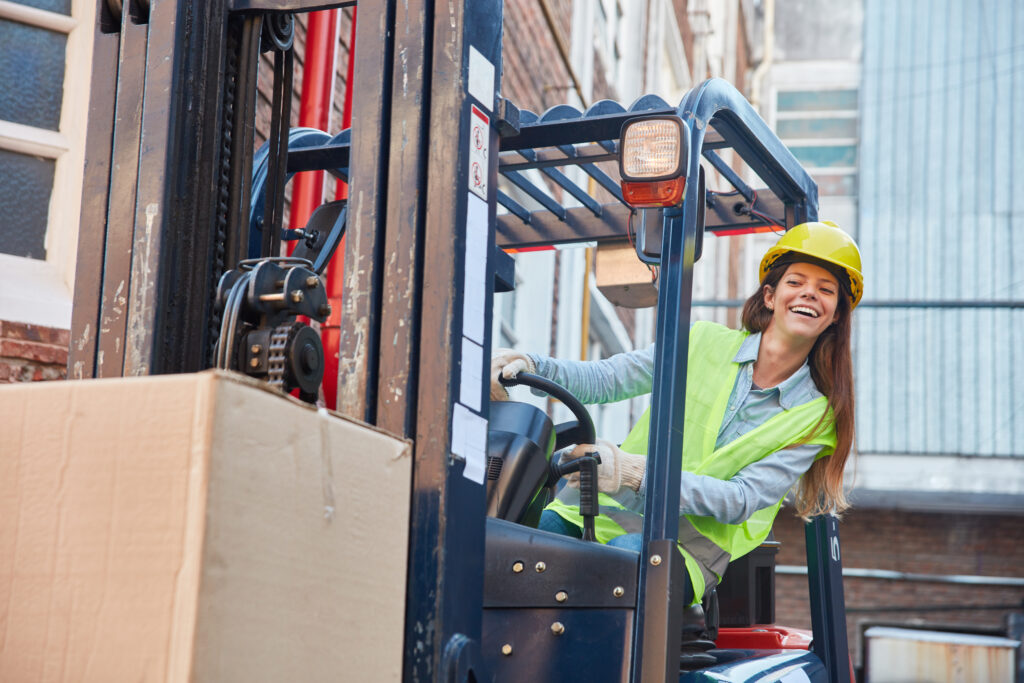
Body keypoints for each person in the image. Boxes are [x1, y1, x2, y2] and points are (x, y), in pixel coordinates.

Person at [490, 221, 862, 606]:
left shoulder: (816, 418)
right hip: (598, 511)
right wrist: (531, 365)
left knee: (626, 559)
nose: (809, 295)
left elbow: (741, 499)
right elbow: (610, 378)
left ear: (836, 315)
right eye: (796, 282)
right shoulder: (703, 343)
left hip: (683, 549)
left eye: (825, 290)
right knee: (523, 543)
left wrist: (634, 472)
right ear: (770, 296)